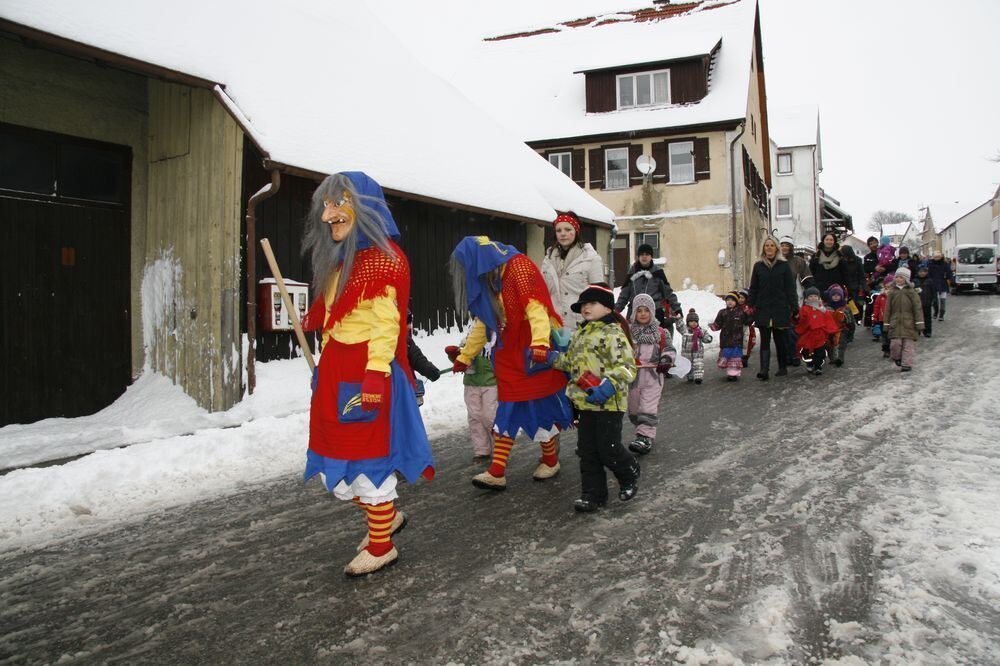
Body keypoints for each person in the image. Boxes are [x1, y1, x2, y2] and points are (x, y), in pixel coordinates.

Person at [300, 171, 434, 577]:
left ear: (365, 208)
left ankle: (382, 546)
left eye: (338, 203)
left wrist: (376, 375)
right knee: (340, 457)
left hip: (365, 372)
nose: (329, 215)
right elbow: (334, 324)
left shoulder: (382, 260)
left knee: (367, 457)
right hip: (338, 371)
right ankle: (386, 521)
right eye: (325, 205)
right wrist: (323, 365)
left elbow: (384, 324)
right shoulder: (340, 262)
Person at [449, 236, 572, 491]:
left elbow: (536, 307)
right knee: (507, 409)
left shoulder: (519, 266)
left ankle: (547, 460)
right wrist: (465, 355)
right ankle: (500, 471)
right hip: (508, 354)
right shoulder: (491, 279)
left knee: (540, 408)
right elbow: (485, 321)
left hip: (530, 350)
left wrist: (540, 343)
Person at [550, 283, 639, 512]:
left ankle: (628, 471)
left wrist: (608, 386)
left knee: (607, 448)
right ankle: (593, 495)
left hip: (609, 404)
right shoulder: (580, 333)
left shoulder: (613, 333)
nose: (585, 308)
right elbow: (572, 364)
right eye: (583, 304)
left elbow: (627, 367)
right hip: (585, 403)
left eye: (592, 303)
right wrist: (552, 359)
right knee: (587, 451)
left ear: (608, 308)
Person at [626, 293, 675, 455]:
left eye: (646, 310)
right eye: (639, 310)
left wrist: (666, 359)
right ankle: (641, 428)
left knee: (648, 407)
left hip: (654, 376)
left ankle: (644, 437)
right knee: (634, 409)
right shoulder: (628, 333)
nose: (642, 314)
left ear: (652, 312)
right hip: (634, 377)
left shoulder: (661, 333)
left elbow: (669, 349)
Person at [540, 212, 606, 331]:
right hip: (554, 327)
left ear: (576, 231)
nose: (563, 234)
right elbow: (542, 291)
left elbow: (599, 295)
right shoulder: (548, 260)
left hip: (581, 325)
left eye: (567, 229)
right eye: (558, 230)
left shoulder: (590, 258)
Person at [747, 236, 798, 380]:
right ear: (763, 249)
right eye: (766, 246)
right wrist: (750, 305)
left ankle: (782, 367)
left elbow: (790, 289)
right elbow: (754, 288)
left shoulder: (784, 266)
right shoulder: (758, 266)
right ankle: (764, 370)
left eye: (772, 246)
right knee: (764, 339)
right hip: (763, 308)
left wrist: (794, 307)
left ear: (776, 248)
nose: (769, 248)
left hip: (780, 308)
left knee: (779, 339)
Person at [445, 334, 498, 461]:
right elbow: (460, 359)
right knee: (475, 417)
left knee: (490, 416)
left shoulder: (495, 339)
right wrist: (454, 355)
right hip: (471, 384)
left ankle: (500, 449)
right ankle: (481, 450)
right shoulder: (468, 338)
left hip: (490, 383)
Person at [614, 243, 682, 333]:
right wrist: (615, 312)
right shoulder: (632, 273)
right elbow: (624, 294)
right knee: (634, 342)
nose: (644, 257)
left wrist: (677, 309)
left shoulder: (658, 273)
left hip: (654, 313)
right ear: (638, 256)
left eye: (647, 254)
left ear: (651, 257)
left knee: (654, 343)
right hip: (634, 314)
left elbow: (668, 293)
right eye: (642, 254)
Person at [884, 267, 925, 372]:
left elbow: (917, 308)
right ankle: (897, 357)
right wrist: (886, 324)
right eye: (897, 277)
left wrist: (919, 323)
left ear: (906, 279)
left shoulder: (911, 292)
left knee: (908, 346)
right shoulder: (892, 292)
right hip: (895, 323)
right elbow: (888, 309)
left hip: (909, 323)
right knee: (895, 344)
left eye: (901, 278)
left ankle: (907, 364)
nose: (899, 279)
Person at [794, 286, 840, 376]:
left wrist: (831, 331)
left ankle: (818, 366)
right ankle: (810, 364)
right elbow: (801, 321)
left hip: (820, 335)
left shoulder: (822, 309)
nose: (813, 298)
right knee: (807, 352)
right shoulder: (804, 309)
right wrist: (797, 320)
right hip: (808, 335)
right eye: (810, 296)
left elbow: (828, 320)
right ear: (806, 298)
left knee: (820, 352)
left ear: (818, 297)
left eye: (815, 296)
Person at [710, 291, 747, 381]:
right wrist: (712, 326)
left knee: (735, 357)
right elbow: (718, 324)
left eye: (732, 300)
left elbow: (747, 321)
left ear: (736, 302)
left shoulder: (741, 312)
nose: (730, 302)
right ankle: (730, 372)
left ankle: (733, 374)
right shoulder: (722, 312)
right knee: (727, 356)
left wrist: (751, 314)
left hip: (737, 340)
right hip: (725, 340)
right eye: (728, 300)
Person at [406, 313, 441, 407]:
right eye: (407, 323)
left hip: (408, 389)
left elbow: (417, 358)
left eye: (410, 323)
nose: (410, 326)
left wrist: (429, 370)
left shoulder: (407, 342)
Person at [680, 309, 712, 384]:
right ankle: (690, 376)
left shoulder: (700, 331)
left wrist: (708, 338)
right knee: (688, 366)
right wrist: (678, 319)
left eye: (695, 322)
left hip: (698, 352)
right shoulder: (685, 331)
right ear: (688, 323)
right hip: (686, 353)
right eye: (691, 322)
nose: (693, 323)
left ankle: (698, 378)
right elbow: (680, 326)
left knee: (698, 365)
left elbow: (705, 337)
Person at [839, 245, 866, 328]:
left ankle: (857, 319)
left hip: (856, 286)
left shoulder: (857, 260)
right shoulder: (841, 261)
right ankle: (848, 322)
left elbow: (861, 275)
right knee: (846, 305)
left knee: (857, 304)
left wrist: (863, 287)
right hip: (844, 285)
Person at [826, 284, 853, 367]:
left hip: (842, 329)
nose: (836, 297)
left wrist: (850, 331)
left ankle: (840, 359)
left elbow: (850, 320)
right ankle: (832, 358)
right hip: (829, 329)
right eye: (834, 295)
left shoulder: (845, 307)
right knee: (830, 344)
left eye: (838, 295)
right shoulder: (827, 307)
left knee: (841, 344)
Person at [927, 250, 954, 320]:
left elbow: (949, 273)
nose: (937, 258)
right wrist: (929, 282)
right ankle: (936, 312)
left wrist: (951, 279)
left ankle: (941, 314)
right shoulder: (931, 264)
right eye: (935, 257)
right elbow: (929, 274)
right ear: (933, 257)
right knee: (935, 300)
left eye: (938, 257)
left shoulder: (945, 264)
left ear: (941, 257)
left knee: (943, 300)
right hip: (934, 284)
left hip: (943, 283)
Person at [912, 261, 936, 338]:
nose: (922, 273)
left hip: (927, 302)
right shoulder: (914, 281)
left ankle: (927, 331)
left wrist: (934, 300)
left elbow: (933, 292)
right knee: (917, 318)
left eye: (924, 271)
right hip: (917, 303)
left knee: (927, 318)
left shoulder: (930, 281)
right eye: (920, 272)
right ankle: (917, 330)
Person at [862, 236, 880, 326]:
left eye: (874, 242)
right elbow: (866, 269)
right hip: (873, 283)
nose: (873, 245)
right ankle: (869, 323)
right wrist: (875, 268)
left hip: (884, 281)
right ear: (869, 246)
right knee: (871, 303)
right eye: (871, 244)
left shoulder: (884, 254)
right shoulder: (867, 257)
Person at [737, 288, 756, 368]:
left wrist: (748, 321)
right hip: (738, 329)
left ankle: (745, 358)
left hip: (748, 329)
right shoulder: (736, 307)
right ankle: (738, 358)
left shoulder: (748, 308)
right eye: (739, 297)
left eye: (742, 298)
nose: (740, 299)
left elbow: (753, 316)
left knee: (748, 343)